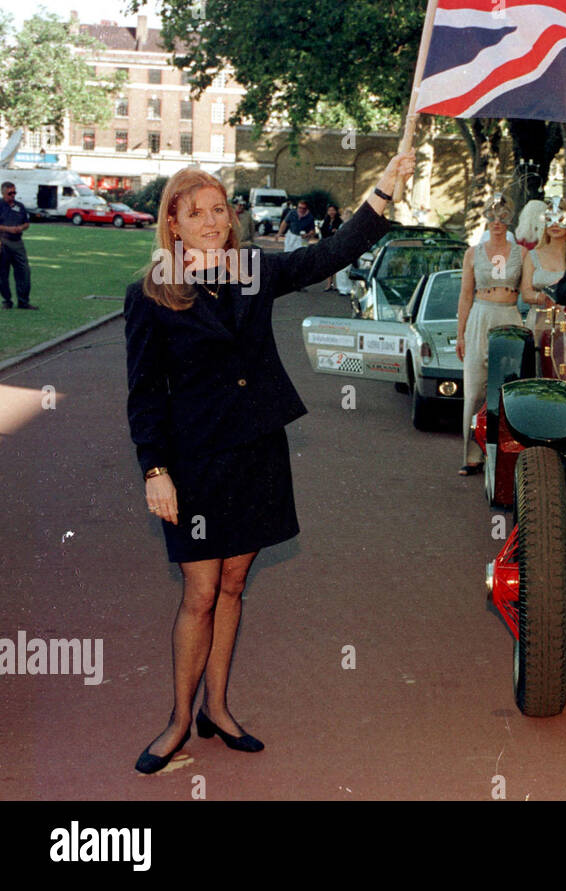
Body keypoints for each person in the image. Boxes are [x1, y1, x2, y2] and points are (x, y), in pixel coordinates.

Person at [125, 152, 416, 774]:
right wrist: (156, 471)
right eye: (196, 213)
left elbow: (327, 255)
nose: (212, 221)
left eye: (220, 210)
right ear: (171, 223)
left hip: (257, 450)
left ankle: (218, 709)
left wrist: (383, 193)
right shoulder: (151, 293)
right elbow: (145, 392)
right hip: (194, 460)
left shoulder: (253, 271)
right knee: (200, 591)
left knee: (234, 584)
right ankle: (179, 720)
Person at [456, 194, 524, 476]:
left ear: (510, 220)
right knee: (474, 391)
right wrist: (460, 334)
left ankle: (503, 457)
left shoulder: (521, 253)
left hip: (509, 316)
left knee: (508, 389)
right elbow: (465, 295)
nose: (497, 223)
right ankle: (471, 455)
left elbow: (531, 287)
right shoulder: (473, 252)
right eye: (492, 217)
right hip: (480, 316)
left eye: (503, 217)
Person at [520, 201, 566, 332]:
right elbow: (526, 293)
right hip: (539, 321)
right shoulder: (532, 255)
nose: (555, 224)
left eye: (560, 219)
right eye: (549, 219)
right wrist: (544, 298)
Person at [0, 181, 34, 309]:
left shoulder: (19, 206)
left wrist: (21, 227)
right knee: (3, 273)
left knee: (24, 271)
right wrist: (8, 229)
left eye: (14, 192)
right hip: (3, 241)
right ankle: (7, 300)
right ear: (3, 193)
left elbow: (26, 223)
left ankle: (23, 301)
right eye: (10, 193)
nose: (13, 195)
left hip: (17, 242)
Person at [318, 204, 344, 291]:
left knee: (335, 264)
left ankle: (336, 284)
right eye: (329, 210)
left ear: (336, 211)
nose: (331, 212)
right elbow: (323, 232)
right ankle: (329, 284)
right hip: (326, 244)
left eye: (333, 210)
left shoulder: (339, 221)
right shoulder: (326, 220)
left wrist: (336, 231)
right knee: (328, 264)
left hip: (335, 245)